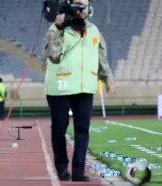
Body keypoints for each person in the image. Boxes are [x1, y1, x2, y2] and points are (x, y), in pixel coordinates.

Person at [43, 0, 115, 182]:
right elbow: (53, 55)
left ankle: (78, 170)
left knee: (82, 130)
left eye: (84, 4)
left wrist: (108, 79)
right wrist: (60, 28)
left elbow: (101, 57)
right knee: (59, 127)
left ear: (90, 8)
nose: (81, 8)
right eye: (77, 4)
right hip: (60, 86)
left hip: (85, 87)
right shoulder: (56, 27)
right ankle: (61, 166)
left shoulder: (94, 30)